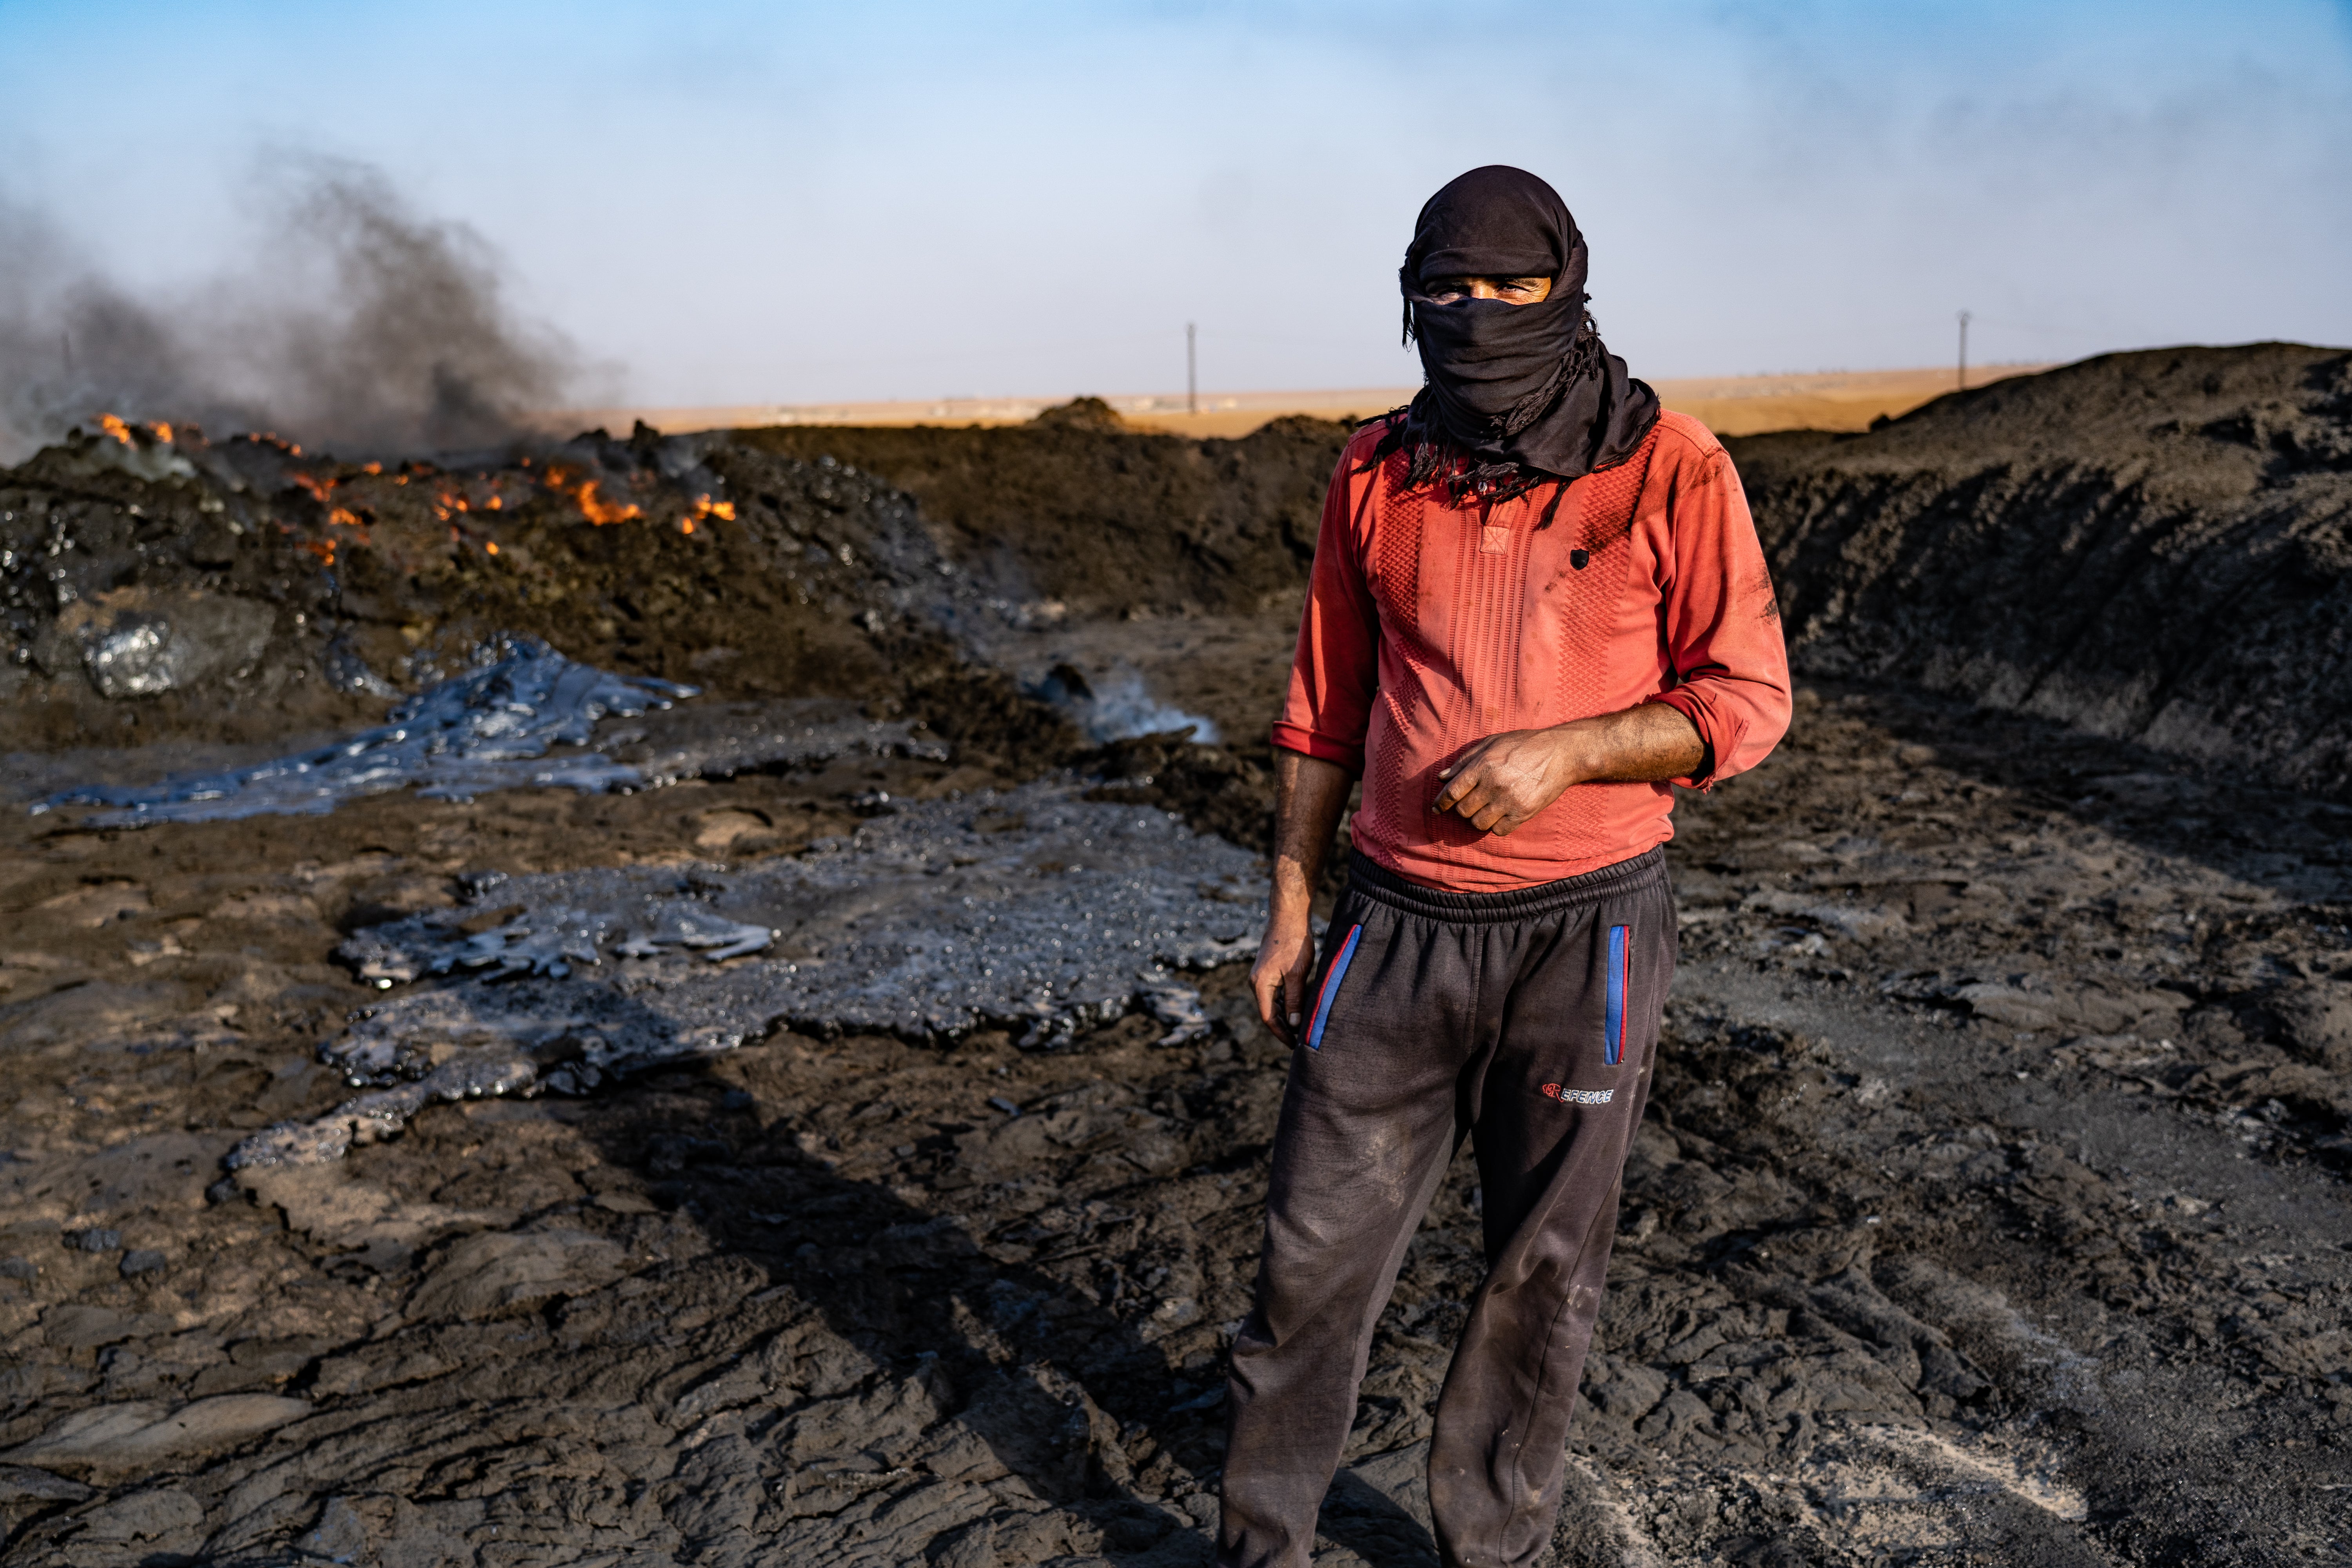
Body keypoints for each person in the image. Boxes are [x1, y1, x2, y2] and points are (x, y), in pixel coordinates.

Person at [1219, 166, 1791, 1568]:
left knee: (1541, 1277)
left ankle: (1494, 1551)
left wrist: (1575, 752)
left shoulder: (1673, 467)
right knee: (1307, 1269)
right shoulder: (1374, 470)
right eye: (1446, 292)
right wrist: (1292, 909)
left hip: (1585, 935)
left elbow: (1748, 698)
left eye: (1510, 290)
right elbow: (1321, 711)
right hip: (1392, 928)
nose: (1476, 317)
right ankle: (1262, 1549)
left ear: (1569, 288)